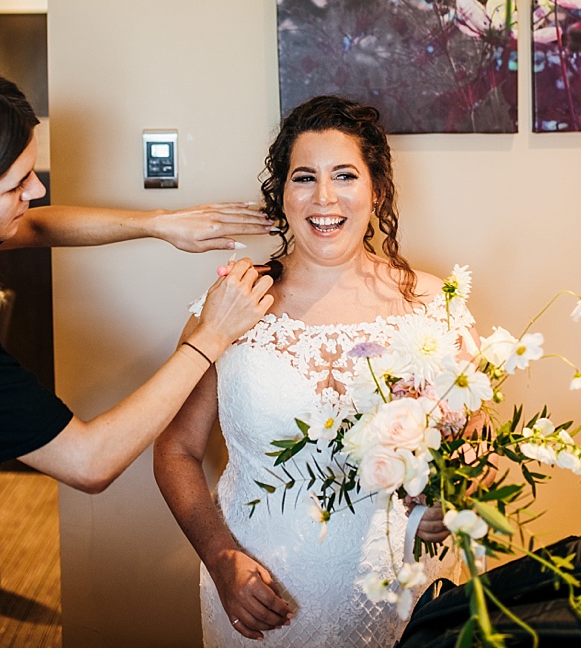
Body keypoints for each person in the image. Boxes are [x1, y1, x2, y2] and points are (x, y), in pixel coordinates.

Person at [0, 61, 277, 644]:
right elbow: (89, 462)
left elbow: (37, 228)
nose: (37, 189)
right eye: (16, 183)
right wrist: (211, 337)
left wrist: (159, 224)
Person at [155, 96, 453, 647]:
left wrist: (447, 500)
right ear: (282, 195)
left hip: (406, 591)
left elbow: (469, 438)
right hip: (264, 595)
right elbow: (175, 451)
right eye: (303, 177)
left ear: (377, 191)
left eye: (345, 175)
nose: (324, 197)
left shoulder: (434, 305)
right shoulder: (233, 303)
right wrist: (223, 561)